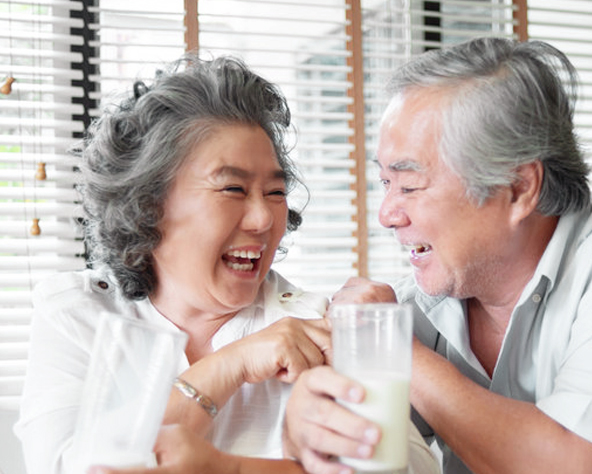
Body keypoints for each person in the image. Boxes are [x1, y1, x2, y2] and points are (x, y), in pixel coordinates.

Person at [281, 37, 592, 474]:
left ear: (519, 188)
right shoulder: (435, 294)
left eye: (409, 186)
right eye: (384, 183)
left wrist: (396, 351)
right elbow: (356, 442)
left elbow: (576, 467)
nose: (386, 214)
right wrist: (306, 426)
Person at [14, 54, 438, 474]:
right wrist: (231, 365)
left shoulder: (316, 329)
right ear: (147, 206)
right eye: (233, 188)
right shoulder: (79, 315)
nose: (262, 220)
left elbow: (416, 469)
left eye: (274, 192)